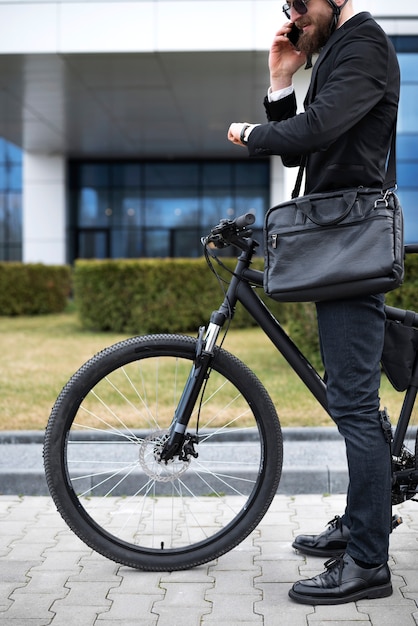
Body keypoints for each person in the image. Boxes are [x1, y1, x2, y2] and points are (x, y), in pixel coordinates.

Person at [228, 0, 400, 606]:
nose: (294, 12)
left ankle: (368, 563)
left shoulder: (364, 46)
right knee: (352, 398)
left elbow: (315, 131)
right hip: (337, 238)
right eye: (287, 6)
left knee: (352, 404)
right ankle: (362, 522)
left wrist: (251, 132)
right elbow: (303, 152)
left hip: (349, 242)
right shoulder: (335, 52)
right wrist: (281, 81)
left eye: (302, 3)